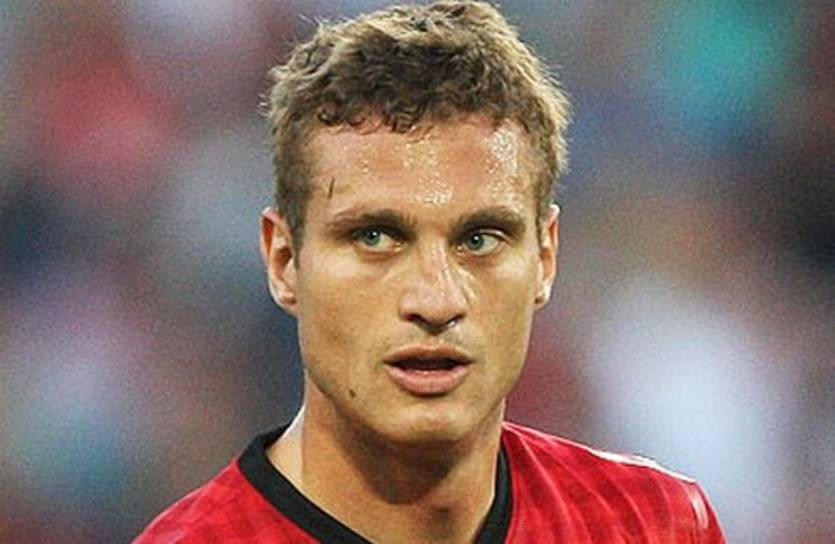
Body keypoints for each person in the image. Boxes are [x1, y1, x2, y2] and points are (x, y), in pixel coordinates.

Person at [135, 1, 725, 542]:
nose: (436, 300)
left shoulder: (656, 525)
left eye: (479, 240)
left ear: (545, 258)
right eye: (375, 237)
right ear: (285, 261)